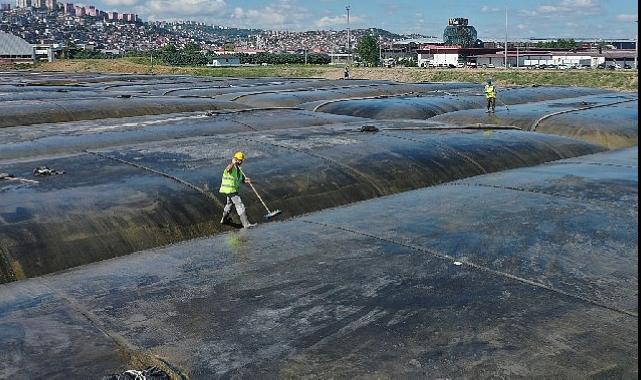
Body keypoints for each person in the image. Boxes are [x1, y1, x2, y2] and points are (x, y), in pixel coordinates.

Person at [219, 151, 257, 228]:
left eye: (241, 160)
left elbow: (242, 180)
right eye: (238, 160)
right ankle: (246, 224)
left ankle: (224, 220)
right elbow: (228, 169)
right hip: (230, 190)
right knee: (239, 204)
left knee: (229, 205)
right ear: (235, 159)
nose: (240, 161)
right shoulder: (231, 167)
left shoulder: (239, 170)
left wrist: (248, 180)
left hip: (230, 191)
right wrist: (233, 163)